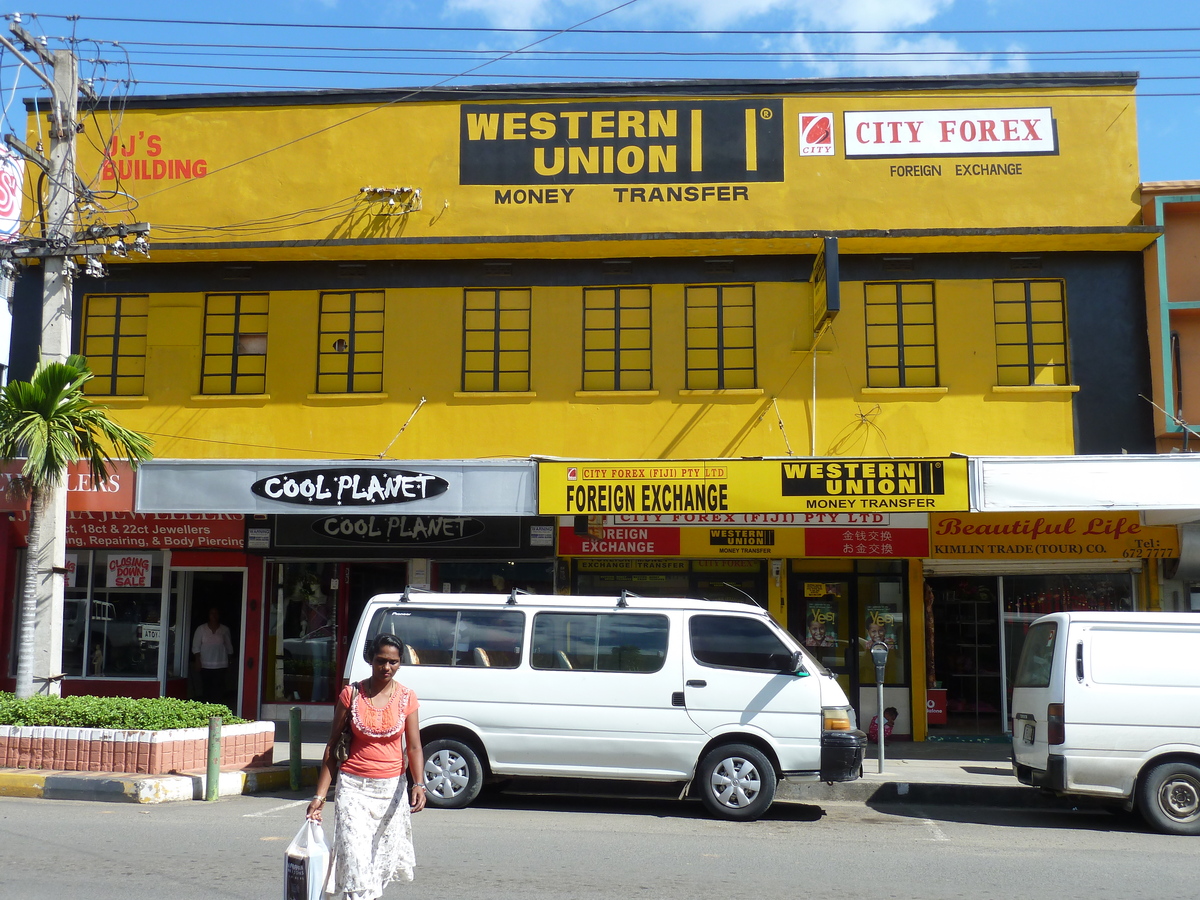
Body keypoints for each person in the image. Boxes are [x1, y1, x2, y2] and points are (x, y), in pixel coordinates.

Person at [307, 633, 426, 898]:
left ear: (400, 664)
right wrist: (319, 795)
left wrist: (419, 784)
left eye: (393, 662)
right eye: (381, 661)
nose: (387, 668)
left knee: (379, 863)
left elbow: (415, 746)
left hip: (391, 791)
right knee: (356, 860)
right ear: (370, 660)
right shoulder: (351, 695)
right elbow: (332, 745)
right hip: (353, 789)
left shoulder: (408, 697)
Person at [191, 606, 233, 704]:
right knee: (206, 687)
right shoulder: (201, 629)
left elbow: (229, 647)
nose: (214, 616)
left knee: (219, 688)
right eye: (211, 613)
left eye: (216, 613)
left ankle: (218, 709)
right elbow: (196, 646)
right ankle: (207, 709)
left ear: (219, 616)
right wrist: (197, 661)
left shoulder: (224, 629)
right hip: (205, 664)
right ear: (208, 615)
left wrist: (230, 662)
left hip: (221, 664)